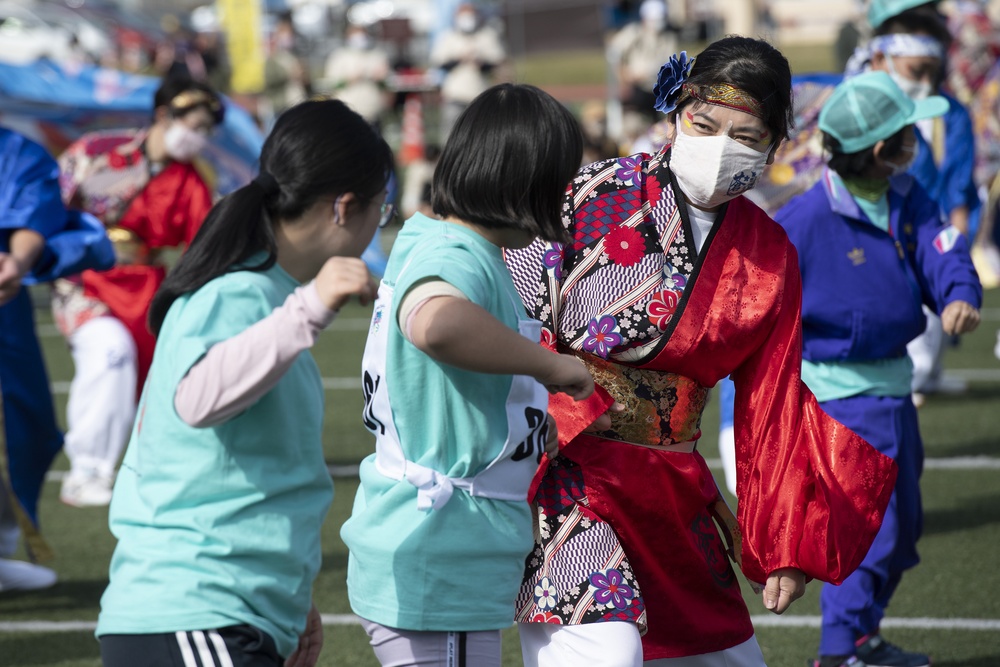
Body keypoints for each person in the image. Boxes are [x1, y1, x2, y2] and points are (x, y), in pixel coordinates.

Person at [504, 37, 898, 667]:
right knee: (602, 655)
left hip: (673, 491)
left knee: (725, 658)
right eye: (705, 123)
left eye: (746, 136)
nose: (721, 147)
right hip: (570, 474)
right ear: (675, 110)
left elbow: (773, 405)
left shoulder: (770, 253)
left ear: (774, 147)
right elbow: (508, 314)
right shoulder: (586, 194)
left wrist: (783, 544)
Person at [97, 98, 393, 667]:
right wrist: (310, 307)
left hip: (229, 616)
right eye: (378, 213)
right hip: (196, 610)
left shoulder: (266, 294)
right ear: (343, 207)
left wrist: (289, 596)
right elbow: (198, 398)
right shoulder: (237, 292)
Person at [340, 83, 595, 667]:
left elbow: (447, 387)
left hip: (428, 543)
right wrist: (553, 367)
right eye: (557, 185)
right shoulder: (459, 254)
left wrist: (529, 421)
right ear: (523, 182)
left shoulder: (432, 235)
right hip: (442, 552)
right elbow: (435, 324)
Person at [782, 71, 982, 667]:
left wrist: (958, 293)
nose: (914, 143)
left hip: (894, 392)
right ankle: (838, 651)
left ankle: (862, 640)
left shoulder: (907, 194)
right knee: (870, 535)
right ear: (878, 150)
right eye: (906, 134)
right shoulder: (803, 221)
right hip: (841, 404)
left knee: (904, 532)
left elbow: (941, 249)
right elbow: (757, 305)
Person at [54, 77, 224, 507]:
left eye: (207, 131)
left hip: (147, 288)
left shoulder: (192, 182)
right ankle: (86, 471)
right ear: (165, 115)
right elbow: (50, 205)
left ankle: (154, 464)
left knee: (168, 368)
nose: (198, 137)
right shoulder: (97, 153)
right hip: (82, 281)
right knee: (110, 351)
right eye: (194, 125)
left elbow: (205, 244)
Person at [0, 126, 113, 592]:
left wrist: (17, 262)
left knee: (18, 428)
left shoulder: (11, 149)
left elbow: (32, 209)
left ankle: (1, 547)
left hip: (3, 309)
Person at [429, 3, 506, 139]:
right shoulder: (448, 37)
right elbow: (440, 63)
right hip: (455, 95)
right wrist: (460, 59)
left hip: (479, 94)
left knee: (480, 135)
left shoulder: (486, 36)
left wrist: (480, 63)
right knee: (451, 134)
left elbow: (497, 62)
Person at [322, 23, 391, 129]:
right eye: (355, 34)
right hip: (348, 112)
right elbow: (331, 84)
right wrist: (350, 79)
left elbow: (387, 84)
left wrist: (380, 79)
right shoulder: (339, 56)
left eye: (362, 33)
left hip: (372, 112)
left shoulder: (377, 55)